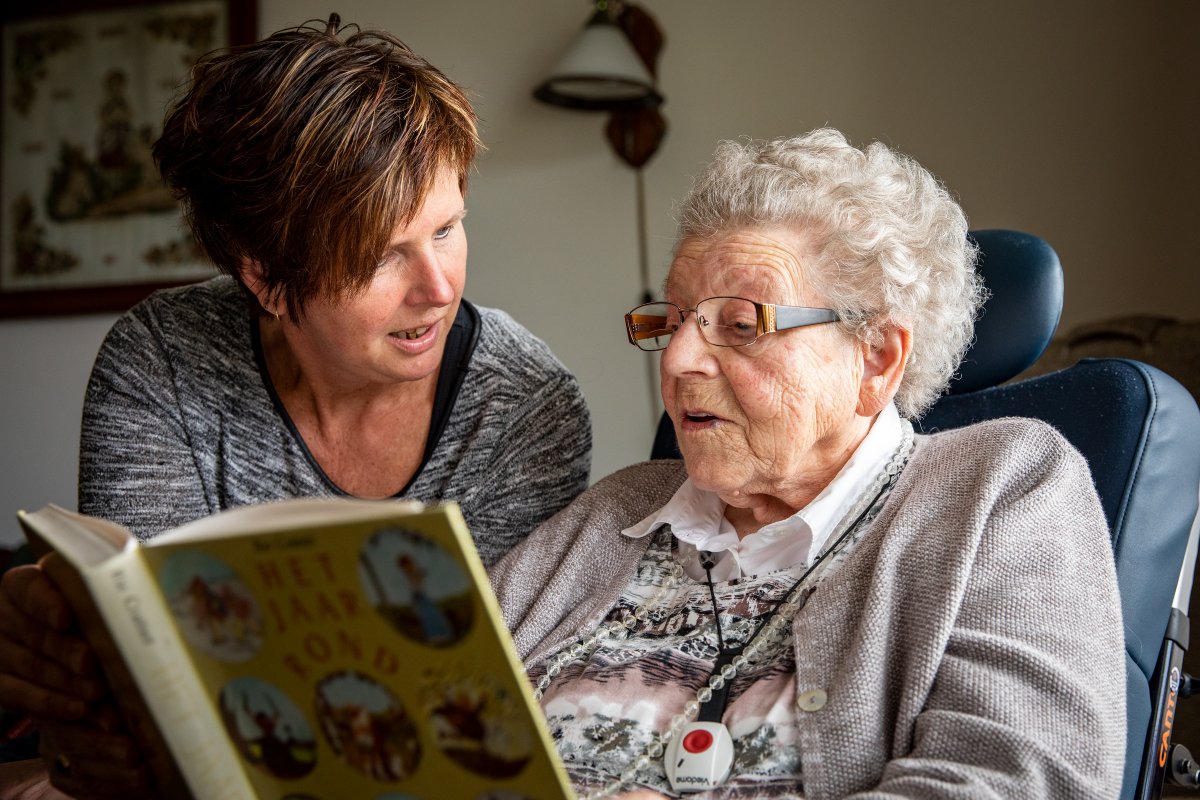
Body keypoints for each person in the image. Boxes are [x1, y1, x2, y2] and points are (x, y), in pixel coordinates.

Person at [0, 17, 590, 799]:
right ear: (266, 278)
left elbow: (509, 709)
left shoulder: (526, 407)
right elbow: (146, 689)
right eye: (383, 254)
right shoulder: (162, 362)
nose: (440, 288)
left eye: (447, 229)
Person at [488, 129, 1125, 798]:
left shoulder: (1003, 491)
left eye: (739, 325)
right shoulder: (614, 513)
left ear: (877, 356)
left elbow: (1020, 781)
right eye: (672, 322)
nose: (677, 361)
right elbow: (417, 710)